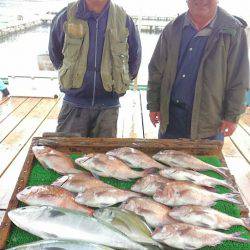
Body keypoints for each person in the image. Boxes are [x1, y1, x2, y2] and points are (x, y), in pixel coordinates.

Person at [147, 0, 249, 141]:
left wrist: (232, 116)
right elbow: (156, 70)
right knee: (166, 162)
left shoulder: (234, 31)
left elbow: (239, 78)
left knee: (206, 162)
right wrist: (153, 104)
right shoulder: (172, 28)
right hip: (171, 119)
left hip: (209, 124)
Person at [49, 0, 141, 137]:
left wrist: (121, 80)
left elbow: (135, 57)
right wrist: (70, 76)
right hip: (74, 103)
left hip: (108, 108)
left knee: (103, 157)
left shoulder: (124, 19)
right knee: (67, 153)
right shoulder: (65, 16)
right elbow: (55, 53)